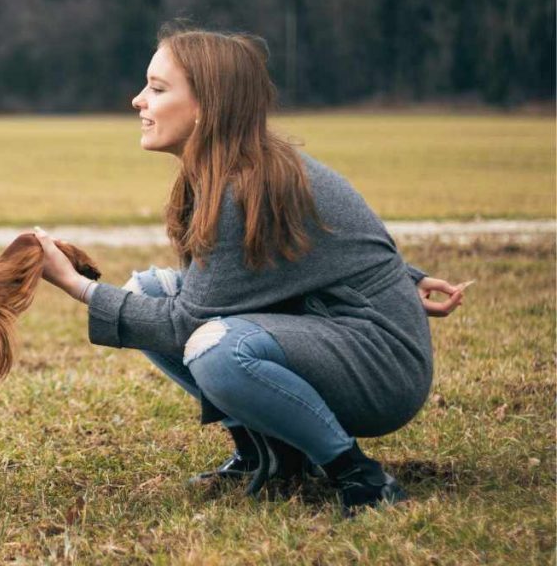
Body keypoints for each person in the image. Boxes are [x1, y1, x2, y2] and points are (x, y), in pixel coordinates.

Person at [34, 28, 467, 516]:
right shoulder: (233, 169)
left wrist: (77, 286)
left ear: (207, 106)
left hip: (382, 370)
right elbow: (318, 249)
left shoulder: (246, 185)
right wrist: (409, 278)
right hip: (333, 330)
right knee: (148, 289)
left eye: (157, 88)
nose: (138, 100)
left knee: (216, 346)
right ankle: (272, 453)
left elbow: (185, 325)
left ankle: (359, 476)